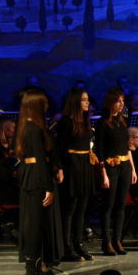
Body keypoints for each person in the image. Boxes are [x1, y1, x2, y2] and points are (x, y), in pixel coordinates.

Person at [16, 87, 64, 275]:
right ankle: (34, 265)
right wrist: (49, 188)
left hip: (30, 176)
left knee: (33, 222)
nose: (47, 105)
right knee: (35, 224)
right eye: (44, 102)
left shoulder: (25, 126)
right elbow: (40, 160)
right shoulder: (34, 129)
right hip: (37, 178)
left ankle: (35, 263)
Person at [56, 88, 96, 261]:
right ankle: (66, 248)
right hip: (72, 166)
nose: (87, 102)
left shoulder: (85, 121)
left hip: (85, 165)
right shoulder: (66, 122)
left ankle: (78, 244)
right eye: (84, 100)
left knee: (81, 209)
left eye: (87, 99)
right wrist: (59, 168)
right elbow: (59, 148)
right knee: (69, 209)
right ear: (75, 102)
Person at [96, 87, 137, 256]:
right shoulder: (102, 123)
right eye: (118, 101)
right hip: (111, 167)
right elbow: (99, 150)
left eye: (123, 101)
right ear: (110, 103)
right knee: (108, 205)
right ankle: (106, 242)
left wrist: (133, 169)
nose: (121, 104)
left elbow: (127, 148)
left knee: (121, 205)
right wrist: (103, 174)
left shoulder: (122, 121)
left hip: (125, 166)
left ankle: (117, 240)